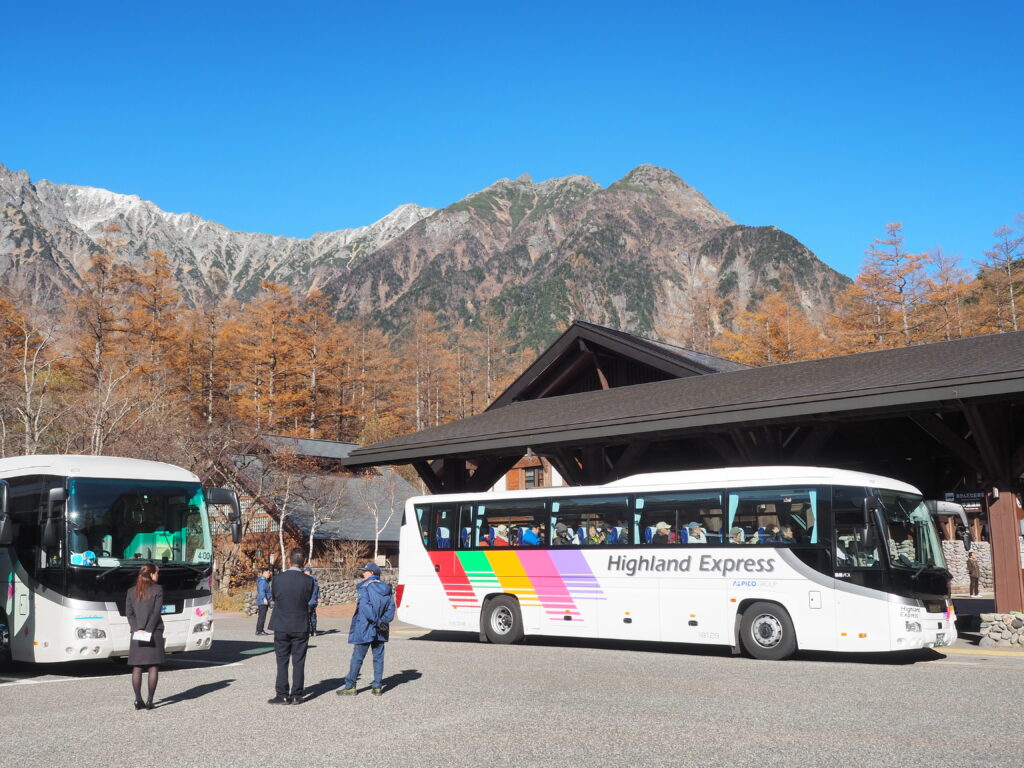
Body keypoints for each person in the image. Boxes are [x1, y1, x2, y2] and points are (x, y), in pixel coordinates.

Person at [337, 562, 396, 697]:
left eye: (365, 571)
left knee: (357, 657)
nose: (363, 573)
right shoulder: (387, 588)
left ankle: (350, 686)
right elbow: (391, 609)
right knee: (378, 657)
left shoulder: (365, 587)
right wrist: (382, 622)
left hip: (366, 627)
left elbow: (365, 607)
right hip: (381, 628)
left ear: (372, 573)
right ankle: (377, 687)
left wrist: (375, 621)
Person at [267, 548, 314, 705]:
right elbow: (308, 598)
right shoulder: (308, 580)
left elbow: (274, 597)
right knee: (298, 661)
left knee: (282, 661)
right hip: (300, 624)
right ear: (304, 562)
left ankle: (282, 694)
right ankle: (296, 694)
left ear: (289, 561)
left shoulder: (278, 579)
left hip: (281, 623)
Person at [126, 563, 165, 710]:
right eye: (157, 573)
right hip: (153, 632)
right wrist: (148, 630)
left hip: (137, 633)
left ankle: (137, 699)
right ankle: (150, 701)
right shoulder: (157, 589)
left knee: (137, 666)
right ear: (151, 574)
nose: (158, 575)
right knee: (153, 666)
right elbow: (156, 613)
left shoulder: (131, 591)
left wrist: (138, 629)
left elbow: (129, 613)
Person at [303, 566, 320, 637]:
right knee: (313, 616)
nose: (304, 572)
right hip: (314, 601)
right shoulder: (315, 579)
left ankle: (309, 631)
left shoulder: (307, 580)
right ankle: (314, 631)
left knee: (307, 616)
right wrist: (318, 597)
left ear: (308, 572)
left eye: (305, 571)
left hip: (308, 600)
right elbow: (317, 590)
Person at [255, 567, 272, 636]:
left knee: (262, 616)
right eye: (268, 573)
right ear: (264, 573)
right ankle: (259, 631)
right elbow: (261, 591)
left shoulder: (265, 580)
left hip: (263, 601)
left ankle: (260, 630)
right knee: (262, 617)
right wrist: (264, 598)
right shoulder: (263, 581)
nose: (269, 574)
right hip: (263, 601)